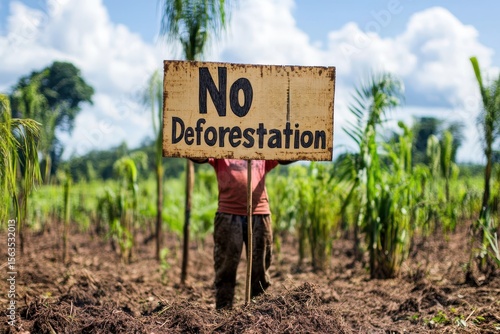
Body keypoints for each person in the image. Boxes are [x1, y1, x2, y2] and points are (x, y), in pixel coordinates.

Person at [192, 158, 290, 309]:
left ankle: (258, 313)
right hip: (228, 214)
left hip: (259, 213)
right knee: (226, 268)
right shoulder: (221, 148)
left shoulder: (262, 148)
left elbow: (284, 156)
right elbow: (200, 154)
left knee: (260, 269)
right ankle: (224, 312)